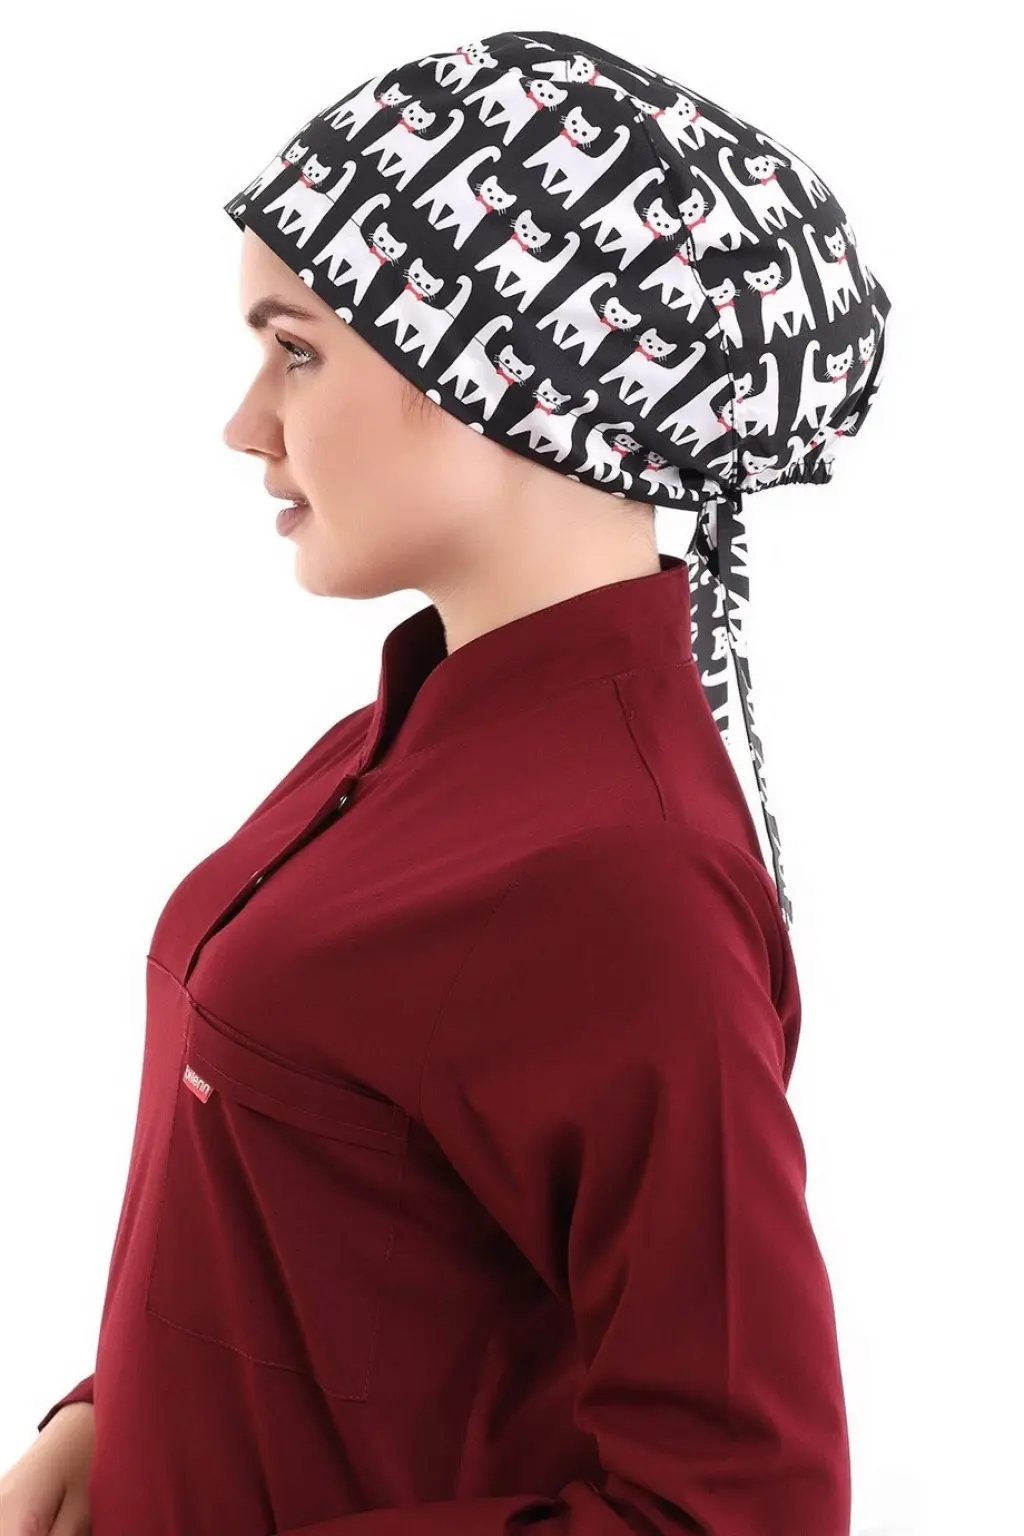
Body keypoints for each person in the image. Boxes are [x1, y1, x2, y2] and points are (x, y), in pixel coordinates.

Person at [7, 29, 890, 1536]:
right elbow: (345, 1235)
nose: (245, 423)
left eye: (296, 350)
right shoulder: (403, 742)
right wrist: (113, 1420)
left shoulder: (623, 877)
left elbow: (742, 1508)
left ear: (505, 370)